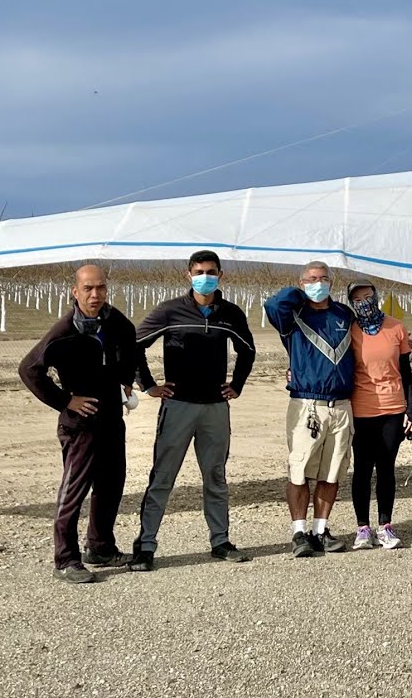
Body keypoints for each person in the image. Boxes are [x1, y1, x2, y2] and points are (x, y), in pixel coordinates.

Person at [127, 250, 257, 571]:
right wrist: (148, 385)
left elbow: (247, 351)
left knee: (215, 476)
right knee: (162, 477)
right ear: (188, 275)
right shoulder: (170, 311)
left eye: (211, 271)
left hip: (215, 408)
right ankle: (145, 546)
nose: (205, 276)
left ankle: (220, 541)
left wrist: (236, 385)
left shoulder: (230, 313)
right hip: (178, 406)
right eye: (199, 271)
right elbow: (134, 346)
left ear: (221, 274)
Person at [19, 264, 141, 583]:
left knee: (111, 484)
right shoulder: (64, 331)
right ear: (75, 292)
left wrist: (126, 378)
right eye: (88, 288)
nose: (95, 294)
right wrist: (65, 400)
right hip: (80, 424)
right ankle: (66, 559)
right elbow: (29, 369)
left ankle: (100, 547)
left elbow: (131, 344)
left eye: (100, 287)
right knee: (74, 489)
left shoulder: (115, 321)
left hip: (112, 419)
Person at [264, 261, 356, 557]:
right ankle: (299, 532)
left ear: (332, 281)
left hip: (341, 405)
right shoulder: (291, 314)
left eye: (323, 278)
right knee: (299, 471)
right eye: (311, 279)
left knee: (332, 472)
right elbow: (273, 303)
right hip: (307, 404)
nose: (319, 283)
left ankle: (320, 529)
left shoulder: (344, 314)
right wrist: (299, 293)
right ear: (302, 283)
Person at [346, 279, 412, 550]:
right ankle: (363, 527)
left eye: (367, 296)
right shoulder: (349, 330)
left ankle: (385, 524)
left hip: (392, 407)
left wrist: (410, 408)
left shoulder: (396, 327)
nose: (364, 302)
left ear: (376, 296)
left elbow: (406, 372)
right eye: (357, 298)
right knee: (362, 467)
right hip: (361, 407)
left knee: (386, 466)